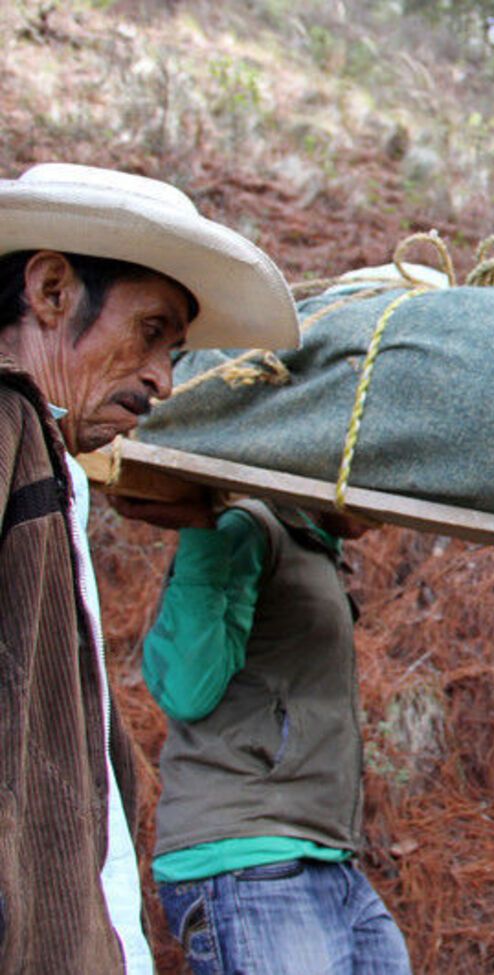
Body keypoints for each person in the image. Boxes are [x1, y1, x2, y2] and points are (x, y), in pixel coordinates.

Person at [0, 163, 297, 973]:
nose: (164, 379)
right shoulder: (5, 425)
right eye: (151, 331)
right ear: (52, 290)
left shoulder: (43, 457)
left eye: (175, 350)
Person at [111, 494, 413, 975]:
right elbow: (187, 688)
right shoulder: (251, 528)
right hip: (248, 858)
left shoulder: (315, 549)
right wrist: (202, 533)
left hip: (324, 858)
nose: (382, 518)